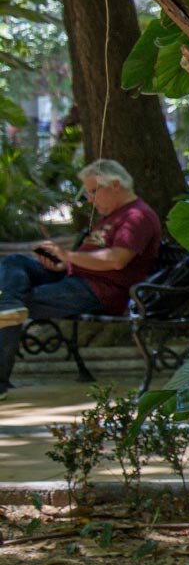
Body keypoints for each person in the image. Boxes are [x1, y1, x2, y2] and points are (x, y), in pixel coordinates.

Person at [0, 159, 162, 394]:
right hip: (75, 278)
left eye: (92, 191)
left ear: (115, 184)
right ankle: (8, 304)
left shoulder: (137, 216)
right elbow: (90, 257)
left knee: (12, 306)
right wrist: (62, 264)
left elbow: (117, 259)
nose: (89, 199)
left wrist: (69, 257)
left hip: (99, 290)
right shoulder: (113, 215)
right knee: (14, 264)